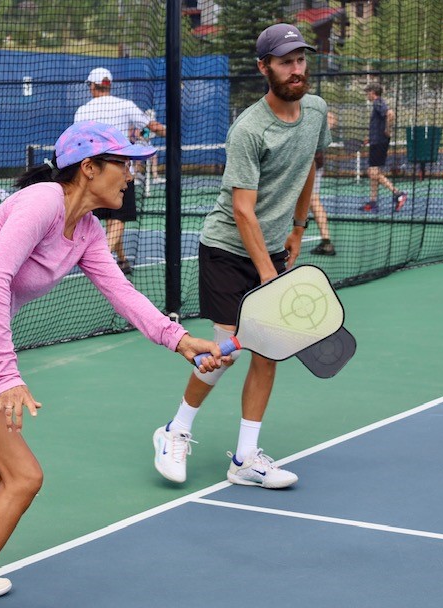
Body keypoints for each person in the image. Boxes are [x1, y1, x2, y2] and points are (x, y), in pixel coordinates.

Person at [0, 120, 223, 608]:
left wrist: (180, 340)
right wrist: (7, 375)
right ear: (88, 168)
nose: (131, 175)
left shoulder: (86, 231)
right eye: (123, 164)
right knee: (23, 475)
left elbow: (122, 293)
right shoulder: (41, 202)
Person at [152, 23, 331, 488]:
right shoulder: (249, 129)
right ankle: (175, 430)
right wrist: (272, 278)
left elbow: (309, 165)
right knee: (224, 353)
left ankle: (246, 459)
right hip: (228, 251)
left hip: (273, 247)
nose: (296, 69)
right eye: (285, 61)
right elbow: (243, 211)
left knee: (267, 353)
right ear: (263, 68)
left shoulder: (315, 111)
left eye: (300, 59)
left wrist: (297, 228)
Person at [74, 68, 166, 275]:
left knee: (109, 219)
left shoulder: (82, 111)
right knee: (117, 219)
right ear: (109, 85)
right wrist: (171, 130)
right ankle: (101, 262)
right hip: (120, 173)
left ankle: (122, 260)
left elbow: (78, 142)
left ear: (92, 86)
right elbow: (152, 127)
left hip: (91, 174)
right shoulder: (125, 105)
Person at [361, 83, 406, 212]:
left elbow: (390, 114)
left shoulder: (377, 102)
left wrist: (387, 129)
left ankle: (398, 194)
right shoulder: (378, 104)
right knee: (375, 173)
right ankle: (373, 202)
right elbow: (381, 121)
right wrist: (371, 137)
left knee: (372, 172)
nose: (366, 95)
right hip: (377, 142)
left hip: (379, 143)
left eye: (367, 92)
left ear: (372, 92)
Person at [310, 111, 337, 256]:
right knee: (311, 201)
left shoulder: (308, 112)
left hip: (310, 163)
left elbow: (332, 118)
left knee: (313, 200)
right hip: (311, 162)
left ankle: (326, 242)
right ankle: (326, 242)